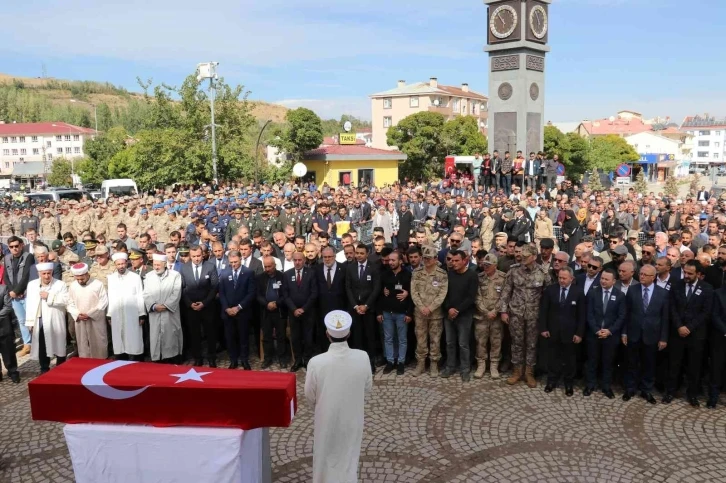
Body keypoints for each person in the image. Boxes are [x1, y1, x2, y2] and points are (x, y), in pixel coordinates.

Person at [304, 310, 372, 483]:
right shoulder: (363, 357)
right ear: (349, 333)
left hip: (326, 416)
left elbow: (309, 395)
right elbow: (367, 388)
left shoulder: (316, 362)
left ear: (327, 334)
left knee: (324, 454)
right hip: (353, 417)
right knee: (349, 455)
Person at [663, 260, 713, 407]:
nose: (686, 275)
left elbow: (706, 312)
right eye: (685, 272)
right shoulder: (676, 285)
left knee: (694, 366)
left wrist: (689, 327)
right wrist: (679, 326)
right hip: (677, 333)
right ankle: (670, 392)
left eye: (690, 273)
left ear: (698, 274)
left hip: (696, 335)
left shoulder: (707, 288)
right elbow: (672, 308)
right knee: (674, 364)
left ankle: (692, 394)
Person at [499, 244, 549, 388]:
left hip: (534, 314)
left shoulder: (542, 273)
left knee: (532, 344)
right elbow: (506, 292)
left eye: (526, 256)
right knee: (517, 343)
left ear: (534, 257)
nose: (522, 258)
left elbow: (547, 296)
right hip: (516, 313)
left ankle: (529, 373)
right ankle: (517, 371)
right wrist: (503, 311)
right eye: (522, 255)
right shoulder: (514, 271)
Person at [622, 265, 668, 404]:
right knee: (632, 362)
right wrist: (624, 332)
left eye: (645, 275)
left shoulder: (662, 293)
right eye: (640, 274)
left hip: (652, 335)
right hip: (634, 332)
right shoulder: (632, 290)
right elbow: (626, 313)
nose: (641, 276)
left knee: (649, 363)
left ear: (653, 277)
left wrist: (663, 338)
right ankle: (630, 388)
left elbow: (665, 317)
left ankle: (646, 390)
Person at [539, 266, 586, 396]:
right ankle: (551, 381)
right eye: (560, 277)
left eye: (564, 278)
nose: (561, 280)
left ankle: (568, 383)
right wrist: (543, 328)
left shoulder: (578, 292)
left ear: (571, 278)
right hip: (553, 331)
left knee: (570, 359)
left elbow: (582, 315)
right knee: (553, 357)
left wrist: (579, 333)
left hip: (570, 333)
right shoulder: (550, 290)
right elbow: (544, 311)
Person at [584, 269, 626, 398]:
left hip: (610, 336)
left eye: (606, 279)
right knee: (592, 361)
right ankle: (590, 384)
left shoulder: (620, 295)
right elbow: (589, 314)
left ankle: (606, 386)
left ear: (614, 281)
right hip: (594, 334)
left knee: (608, 362)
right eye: (602, 278)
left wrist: (609, 331)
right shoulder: (593, 293)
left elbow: (621, 316)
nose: (603, 281)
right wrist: (596, 329)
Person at [410, 244, 448, 377]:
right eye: (424, 258)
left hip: (435, 314)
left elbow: (442, 293)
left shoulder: (442, 274)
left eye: (429, 258)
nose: (426, 260)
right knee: (420, 340)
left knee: (435, 340)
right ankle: (420, 364)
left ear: (436, 258)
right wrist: (422, 307)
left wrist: (430, 308)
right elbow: (413, 292)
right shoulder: (417, 273)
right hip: (420, 313)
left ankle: (434, 365)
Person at [440, 250, 479, 382]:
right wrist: (449, 308)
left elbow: (471, 297)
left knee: (463, 344)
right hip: (449, 314)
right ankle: (450, 366)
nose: (453, 263)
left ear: (464, 261)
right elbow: (443, 294)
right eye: (452, 260)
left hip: (464, 315)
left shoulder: (472, 275)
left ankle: (465, 369)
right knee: (450, 342)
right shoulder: (449, 275)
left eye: (457, 261)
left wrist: (457, 309)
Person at [24, 262, 68, 374]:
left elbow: (66, 301)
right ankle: (44, 369)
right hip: (39, 319)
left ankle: (61, 368)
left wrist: (50, 296)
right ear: (39, 273)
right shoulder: (32, 285)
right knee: (42, 345)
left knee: (59, 343)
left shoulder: (60, 284)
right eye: (44, 274)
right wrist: (30, 322)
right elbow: (29, 303)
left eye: (49, 273)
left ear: (52, 272)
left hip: (55, 318)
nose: (47, 276)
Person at [179, 245, 219, 367]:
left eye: (198, 256)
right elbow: (182, 288)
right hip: (191, 307)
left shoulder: (210, 266)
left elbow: (214, 287)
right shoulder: (184, 268)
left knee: (210, 332)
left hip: (207, 306)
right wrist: (190, 304)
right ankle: (198, 357)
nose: (196, 259)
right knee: (194, 333)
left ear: (202, 255)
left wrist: (205, 303)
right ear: (190, 256)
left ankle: (212, 357)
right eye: (194, 256)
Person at [345, 244, 381, 374]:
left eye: (361, 253)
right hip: (354, 309)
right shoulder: (350, 268)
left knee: (370, 337)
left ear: (367, 254)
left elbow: (376, 288)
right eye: (357, 253)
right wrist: (355, 306)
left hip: (368, 309)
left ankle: (371, 363)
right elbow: (348, 288)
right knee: (357, 337)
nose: (359, 255)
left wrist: (366, 306)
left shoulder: (374, 268)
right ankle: (358, 364)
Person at [219, 250, 256, 370]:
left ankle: (244, 360)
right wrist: (226, 308)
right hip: (228, 312)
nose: (233, 264)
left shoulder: (249, 272)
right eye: (231, 262)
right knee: (230, 337)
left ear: (240, 259)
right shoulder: (224, 273)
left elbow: (251, 293)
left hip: (243, 312)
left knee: (243, 337)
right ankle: (233, 360)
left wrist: (239, 307)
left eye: (235, 262)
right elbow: (222, 293)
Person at [377, 250, 413, 375]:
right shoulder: (384, 275)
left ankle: (401, 362)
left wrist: (409, 313)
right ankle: (390, 361)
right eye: (389, 260)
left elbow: (412, 295)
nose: (390, 262)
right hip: (387, 312)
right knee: (388, 338)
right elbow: (380, 294)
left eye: (393, 260)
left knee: (402, 339)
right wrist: (379, 312)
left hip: (402, 313)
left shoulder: (407, 275)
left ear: (400, 261)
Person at [143, 254, 183, 363]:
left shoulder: (175, 275)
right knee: (156, 336)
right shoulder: (148, 276)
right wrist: (154, 306)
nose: (156, 267)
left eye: (158, 265)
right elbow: (146, 294)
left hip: (170, 313)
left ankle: (172, 358)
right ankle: (157, 359)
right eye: (154, 264)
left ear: (164, 264)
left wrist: (165, 306)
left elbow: (176, 293)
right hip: (155, 312)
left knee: (171, 336)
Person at [283, 251, 318, 372]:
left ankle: (307, 359)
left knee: (308, 337)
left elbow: (314, 293)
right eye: (295, 260)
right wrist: (294, 309)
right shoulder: (287, 274)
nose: (297, 262)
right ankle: (297, 360)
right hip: (293, 312)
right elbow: (285, 294)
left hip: (308, 311)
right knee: (295, 337)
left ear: (303, 260)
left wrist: (303, 308)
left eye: (299, 260)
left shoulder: (311, 273)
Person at [107, 252, 146, 362]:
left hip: (132, 313)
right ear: (115, 265)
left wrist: (141, 314)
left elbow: (140, 296)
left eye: (123, 264)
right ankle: (121, 361)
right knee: (119, 338)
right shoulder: (111, 278)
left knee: (134, 338)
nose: (121, 266)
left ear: (126, 263)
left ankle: (137, 361)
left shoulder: (135, 277)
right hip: (116, 313)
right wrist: (109, 314)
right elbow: (111, 296)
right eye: (118, 264)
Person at [67, 263, 109, 359]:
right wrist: (77, 314)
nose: (80, 281)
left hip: (96, 319)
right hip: (80, 319)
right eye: (77, 279)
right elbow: (69, 303)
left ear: (87, 274)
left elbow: (103, 302)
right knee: (83, 344)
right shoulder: (73, 286)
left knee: (99, 343)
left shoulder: (98, 284)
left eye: (82, 278)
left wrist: (90, 314)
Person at [474, 253, 506, 379]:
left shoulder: (503, 278)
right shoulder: (479, 277)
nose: (485, 267)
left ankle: (494, 366)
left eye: (488, 265)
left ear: (495, 265)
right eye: (484, 264)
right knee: (480, 342)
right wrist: (485, 311)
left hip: (496, 317)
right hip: (481, 316)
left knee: (496, 342)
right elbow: (476, 296)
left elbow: (504, 296)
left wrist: (495, 311)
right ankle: (481, 365)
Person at [3, 236, 34, 356]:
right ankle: (28, 344)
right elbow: (6, 276)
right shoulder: (7, 258)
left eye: (16, 246)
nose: (14, 249)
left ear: (21, 245)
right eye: (11, 247)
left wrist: (17, 291)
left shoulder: (28, 257)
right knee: (21, 321)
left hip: (26, 294)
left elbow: (26, 275)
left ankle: (38, 344)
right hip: (14, 296)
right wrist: (12, 292)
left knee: (31, 320)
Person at [256, 256, 287, 369]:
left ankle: (282, 358)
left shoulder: (282, 277)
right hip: (266, 311)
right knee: (267, 336)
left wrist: (277, 303)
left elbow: (285, 294)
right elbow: (258, 295)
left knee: (281, 336)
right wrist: (266, 304)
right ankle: (267, 358)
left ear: (275, 265)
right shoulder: (260, 278)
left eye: (270, 266)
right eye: (266, 266)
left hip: (279, 311)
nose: (267, 269)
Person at [314, 247, 347, 352]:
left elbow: (347, 289)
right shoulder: (316, 269)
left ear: (335, 256)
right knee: (323, 335)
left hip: (339, 308)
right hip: (322, 309)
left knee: (339, 335)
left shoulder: (344, 269)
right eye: (325, 257)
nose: (327, 259)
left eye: (329, 257)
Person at [0, 281, 19, 383]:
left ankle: (13, 372)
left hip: (3, 326)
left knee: (8, 351)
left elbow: (7, 307)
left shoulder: (3, 289)